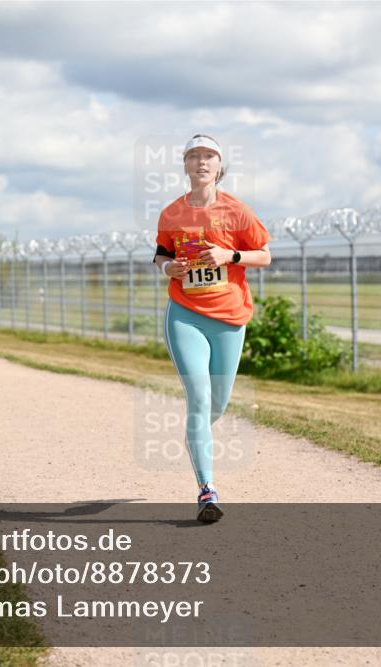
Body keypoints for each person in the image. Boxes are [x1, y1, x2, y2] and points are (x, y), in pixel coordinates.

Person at [153, 134, 272, 523]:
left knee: (216, 404)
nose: (201, 162)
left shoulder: (238, 212)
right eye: (194, 157)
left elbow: (265, 255)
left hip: (229, 317)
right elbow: (161, 253)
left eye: (209, 156)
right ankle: (207, 490)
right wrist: (166, 268)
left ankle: (195, 434)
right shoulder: (171, 213)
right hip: (184, 313)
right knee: (200, 399)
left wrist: (229, 254)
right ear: (185, 166)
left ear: (220, 166)